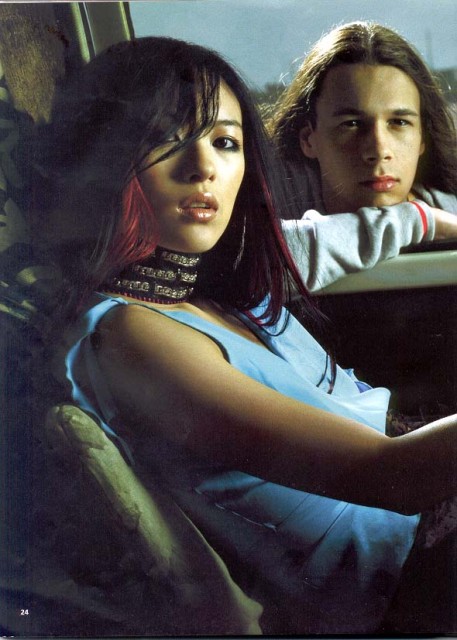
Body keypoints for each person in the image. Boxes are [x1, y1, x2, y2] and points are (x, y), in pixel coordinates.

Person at [35, 36, 457, 635]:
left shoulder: (218, 288)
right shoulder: (131, 335)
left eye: (225, 141)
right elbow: (390, 477)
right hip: (399, 569)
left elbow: (334, 238)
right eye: (164, 138)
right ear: (105, 157)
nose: (203, 167)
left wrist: (422, 217)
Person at [269, 21, 457, 291]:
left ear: (422, 138)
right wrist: (419, 221)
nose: (379, 151)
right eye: (352, 124)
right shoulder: (276, 213)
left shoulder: (451, 209)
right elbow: (250, 264)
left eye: (399, 122)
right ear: (309, 140)